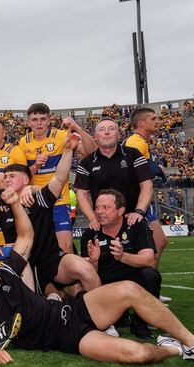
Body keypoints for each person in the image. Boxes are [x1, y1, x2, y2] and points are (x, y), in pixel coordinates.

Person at [0, 192, 194, 365]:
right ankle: (173, 349)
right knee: (138, 354)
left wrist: (14, 203)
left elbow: (26, 235)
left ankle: (190, 341)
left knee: (129, 289)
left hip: (73, 310)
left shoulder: (7, 271)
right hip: (68, 338)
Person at [0, 133, 100, 297]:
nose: (6, 180)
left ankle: (101, 316)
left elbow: (60, 177)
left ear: (26, 180)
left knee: (85, 269)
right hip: (23, 264)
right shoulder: (1, 208)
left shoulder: (39, 199)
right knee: (50, 297)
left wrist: (67, 150)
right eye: (5, 177)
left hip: (51, 259)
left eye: (12, 176)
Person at [74, 118, 158, 266]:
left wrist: (139, 211)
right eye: (102, 129)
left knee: (147, 268)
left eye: (111, 129)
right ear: (95, 137)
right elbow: (81, 194)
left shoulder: (133, 155)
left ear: (119, 134)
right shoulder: (86, 163)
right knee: (98, 267)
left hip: (132, 219)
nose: (107, 132)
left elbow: (146, 184)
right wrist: (92, 217)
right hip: (103, 223)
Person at [80, 189, 160, 339]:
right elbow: (88, 275)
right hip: (105, 284)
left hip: (132, 278)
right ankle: (117, 316)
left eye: (106, 207)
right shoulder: (90, 234)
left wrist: (123, 256)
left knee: (150, 275)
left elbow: (149, 259)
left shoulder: (136, 225)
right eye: (97, 207)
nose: (99, 212)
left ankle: (140, 322)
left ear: (121, 210)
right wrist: (94, 262)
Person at [17, 103, 96, 254]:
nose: (39, 123)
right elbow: (22, 178)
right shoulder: (22, 143)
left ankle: (72, 275)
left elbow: (91, 152)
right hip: (36, 202)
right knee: (38, 248)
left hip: (59, 201)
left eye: (42, 119)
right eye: (34, 119)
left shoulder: (61, 136)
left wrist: (78, 129)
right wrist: (35, 166)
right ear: (28, 122)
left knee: (65, 248)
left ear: (49, 120)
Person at [124, 107, 168, 266]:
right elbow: (131, 167)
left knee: (159, 241)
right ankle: (147, 284)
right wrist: (156, 169)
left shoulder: (140, 141)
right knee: (157, 242)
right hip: (136, 200)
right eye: (154, 119)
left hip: (140, 198)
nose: (158, 121)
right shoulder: (136, 141)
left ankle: (147, 283)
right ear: (141, 123)